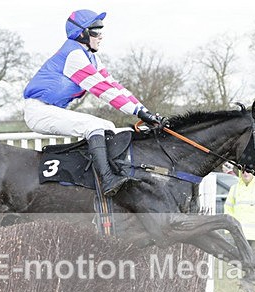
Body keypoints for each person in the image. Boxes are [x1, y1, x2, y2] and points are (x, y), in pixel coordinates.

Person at [23, 9, 166, 197]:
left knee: (108, 126)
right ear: (81, 33)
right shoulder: (73, 56)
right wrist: (138, 114)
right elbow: (103, 90)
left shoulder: (90, 56)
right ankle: (106, 179)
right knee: (94, 126)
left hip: (50, 109)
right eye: (96, 30)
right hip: (38, 111)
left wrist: (143, 111)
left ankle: (104, 173)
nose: (101, 36)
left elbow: (115, 87)